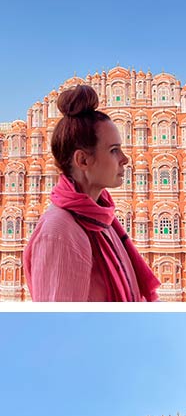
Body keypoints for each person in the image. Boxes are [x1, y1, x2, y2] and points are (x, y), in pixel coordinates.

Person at [23, 85, 160, 301]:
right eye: (114, 150)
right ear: (83, 160)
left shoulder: (101, 219)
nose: (125, 159)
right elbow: (62, 326)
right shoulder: (60, 232)